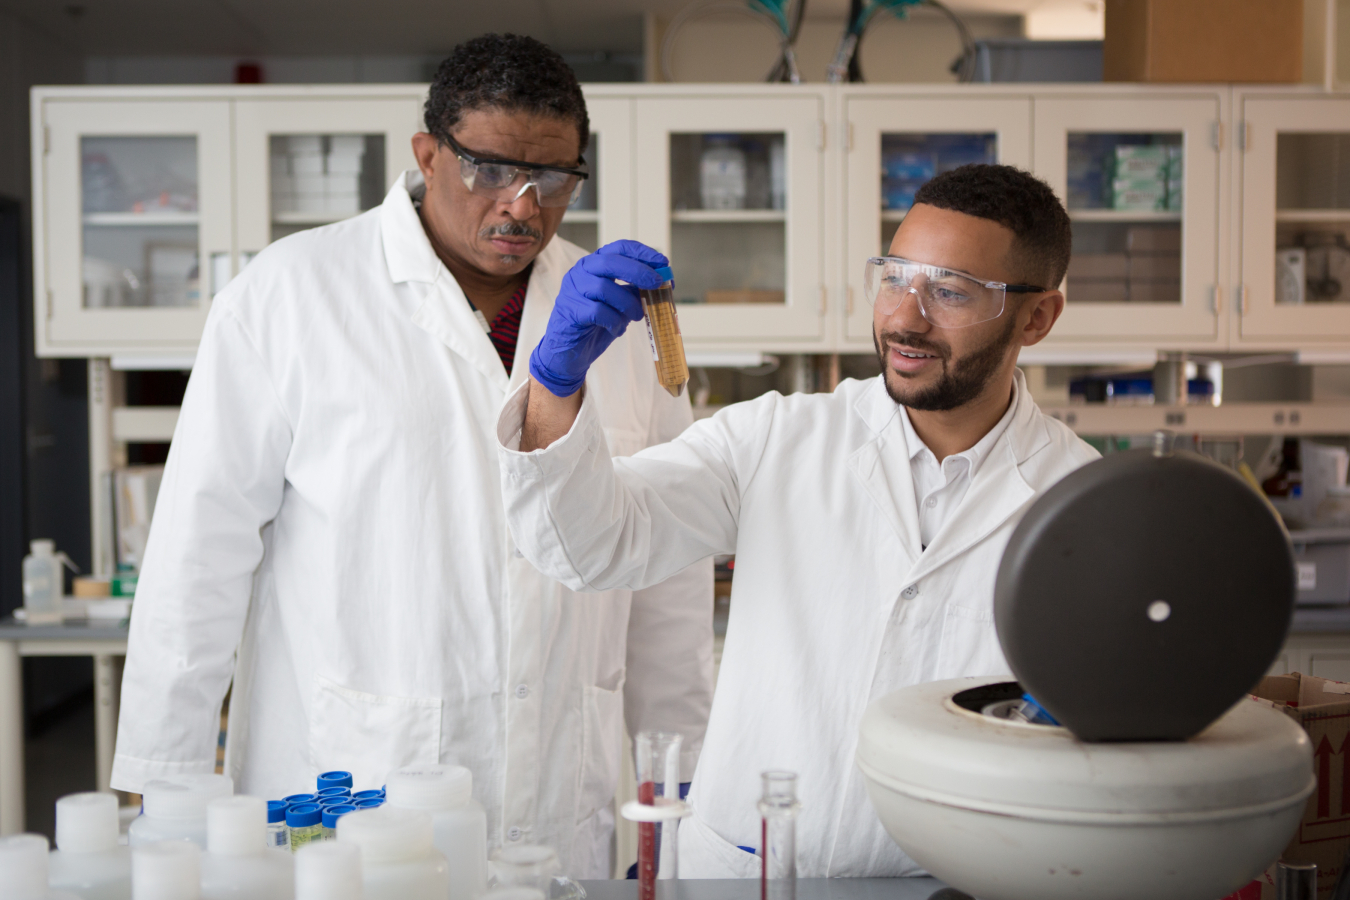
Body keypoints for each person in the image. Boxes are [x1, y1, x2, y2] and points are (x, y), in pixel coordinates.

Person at [111, 34, 713, 876]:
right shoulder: (287, 297)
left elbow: (667, 573)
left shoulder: (616, 322)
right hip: (349, 784)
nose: (522, 208)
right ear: (427, 153)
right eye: (490, 170)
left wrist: (686, 796)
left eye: (554, 180)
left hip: (557, 792)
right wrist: (163, 794)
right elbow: (196, 557)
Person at [497, 164, 1100, 877]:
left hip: (948, 885)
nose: (904, 317)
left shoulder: (1087, 506)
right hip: (739, 875)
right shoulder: (774, 439)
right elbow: (590, 546)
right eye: (894, 277)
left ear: (1037, 317)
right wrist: (555, 384)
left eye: (949, 291)